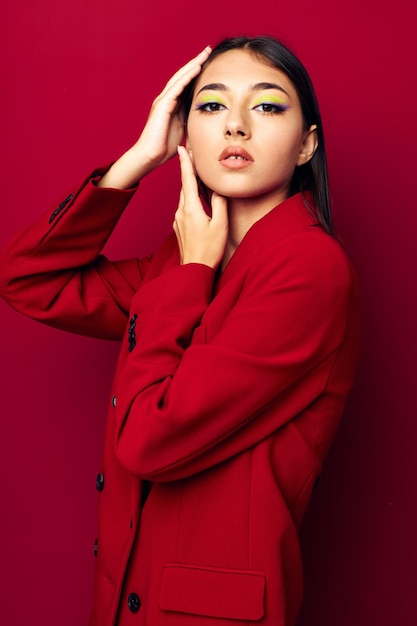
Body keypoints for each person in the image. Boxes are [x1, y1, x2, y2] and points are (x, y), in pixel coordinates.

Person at [0, 35, 360, 626]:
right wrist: (142, 156)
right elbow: (28, 279)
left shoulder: (309, 270)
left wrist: (193, 270)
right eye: (212, 106)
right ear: (185, 133)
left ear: (306, 145)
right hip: (128, 599)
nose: (236, 126)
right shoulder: (186, 262)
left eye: (267, 106)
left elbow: (150, 441)